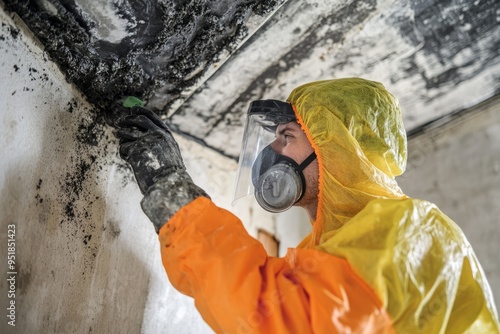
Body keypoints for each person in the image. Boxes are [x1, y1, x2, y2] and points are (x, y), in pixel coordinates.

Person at [113, 78, 500, 333]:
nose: (272, 152)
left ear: (336, 147)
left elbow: (272, 317)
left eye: (287, 135)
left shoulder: (409, 230)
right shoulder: (326, 247)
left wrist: (170, 186)